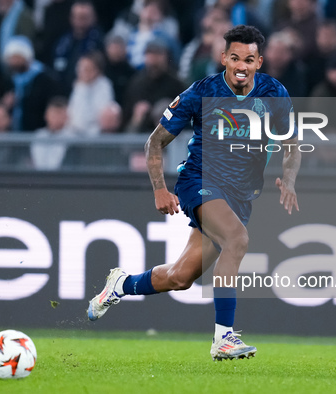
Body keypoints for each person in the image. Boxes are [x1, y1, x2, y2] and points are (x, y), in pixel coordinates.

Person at [87, 25, 301, 361]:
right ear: (223, 58)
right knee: (237, 240)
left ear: (259, 62)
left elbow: (292, 145)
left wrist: (288, 179)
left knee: (180, 277)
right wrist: (160, 189)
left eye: (249, 59)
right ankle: (223, 338)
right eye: (234, 58)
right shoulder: (202, 92)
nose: (241, 65)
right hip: (199, 181)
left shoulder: (275, 94)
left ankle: (121, 284)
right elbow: (154, 142)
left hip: (240, 196)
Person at [0, 35, 57, 132]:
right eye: (11, 58)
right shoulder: (9, 80)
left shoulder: (45, 79)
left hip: (37, 131)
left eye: (17, 57)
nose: (14, 62)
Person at [66, 51, 115, 137]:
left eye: (87, 69)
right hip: (75, 135)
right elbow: (73, 114)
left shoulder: (104, 86)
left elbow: (98, 116)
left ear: (97, 70)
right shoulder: (79, 86)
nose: (81, 72)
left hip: (96, 136)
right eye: (80, 68)